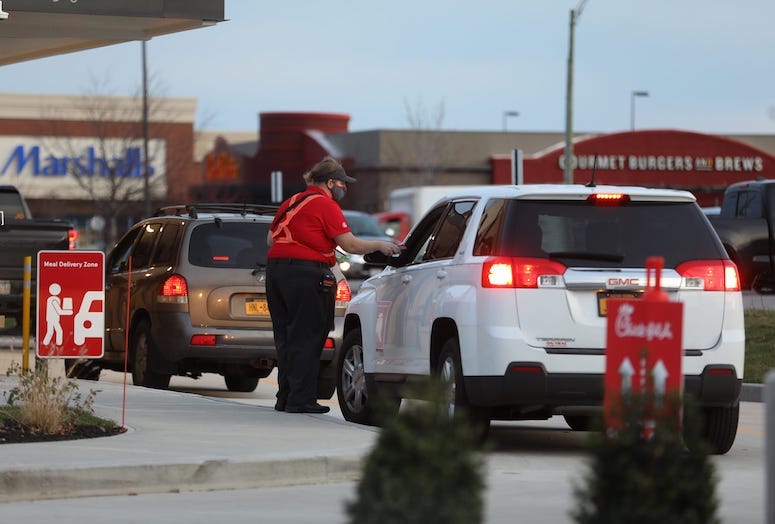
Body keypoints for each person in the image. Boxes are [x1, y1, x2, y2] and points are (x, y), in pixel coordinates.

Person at [266, 156, 400, 414]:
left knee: (286, 338)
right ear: (330, 183)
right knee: (308, 337)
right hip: (305, 276)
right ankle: (300, 400)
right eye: (342, 183)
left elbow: (271, 239)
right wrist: (380, 245)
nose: (344, 188)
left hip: (276, 272)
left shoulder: (292, 202)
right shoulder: (325, 205)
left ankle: (285, 397)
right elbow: (350, 244)